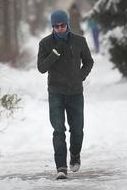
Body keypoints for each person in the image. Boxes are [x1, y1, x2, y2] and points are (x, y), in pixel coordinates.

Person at [37, 10, 94, 180]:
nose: (60, 28)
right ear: (52, 26)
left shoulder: (79, 41)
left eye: (62, 25)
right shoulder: (45, 43)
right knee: (58, 130)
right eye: (56, 26)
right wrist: (54, 53)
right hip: (56, 92)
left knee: (77, 130)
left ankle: (75, 155)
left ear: (67, 24)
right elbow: (41, 68)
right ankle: (61, 167)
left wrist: (81, 76)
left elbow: (89, 61)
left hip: (75, 92)